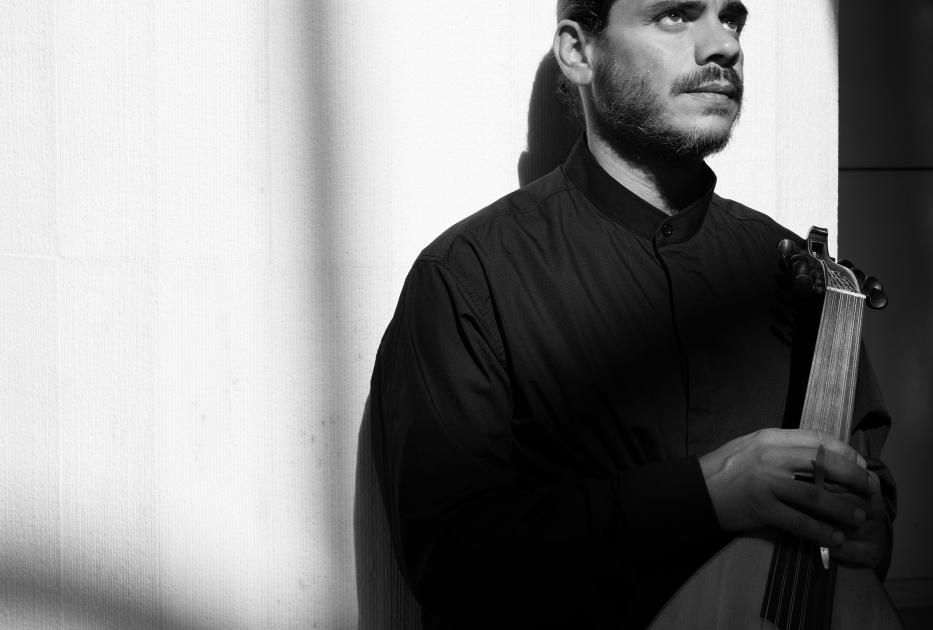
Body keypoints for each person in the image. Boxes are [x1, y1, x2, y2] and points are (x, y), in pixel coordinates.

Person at [366, 1, 897, 627]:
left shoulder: (804, 277)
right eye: (675, 15)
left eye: (731, 19)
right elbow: (451, 558)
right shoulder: (471, 275)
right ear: (579, 52)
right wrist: (706, 493)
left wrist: (869, 525)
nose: (724, 46)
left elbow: (868, 480)